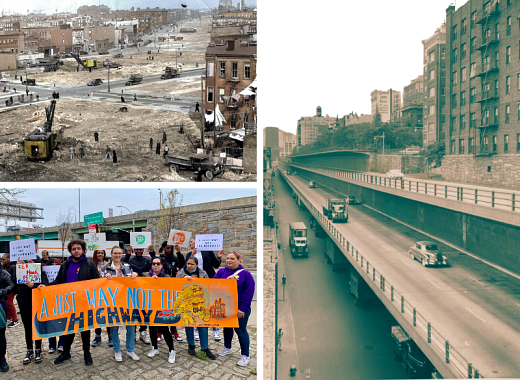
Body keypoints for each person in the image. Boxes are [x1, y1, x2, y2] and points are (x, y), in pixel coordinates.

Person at [38, 239, 100, 366]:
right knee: (68, 329)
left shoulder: (89, 265)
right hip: (68, 304)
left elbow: (97, 283)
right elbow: (59, 281)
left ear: (83, 250)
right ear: (70, 251)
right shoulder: (65, 264)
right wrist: (46, 286)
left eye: (78, 248)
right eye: (73, 249)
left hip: (84, 303)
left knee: (85, 330)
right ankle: (66, 352)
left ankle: (87, 353)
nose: (76, 251)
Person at [214, 252, 255, 366]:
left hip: (240, 309)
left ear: (239, 260)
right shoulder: (222, 272)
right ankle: (227, 347)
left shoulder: (246, 274)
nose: (229, 260)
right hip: (226, 307)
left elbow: (249, 292)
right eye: (227, 258)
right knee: (227, 328)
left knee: (240, 330)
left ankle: (245, 355)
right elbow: (213, 284)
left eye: (232, 258)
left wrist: (243, 308)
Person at [101, 246, 140, 362]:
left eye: (119, 253)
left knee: (131, 326)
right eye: (115, 253)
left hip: (128, 302)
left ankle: (130, 350)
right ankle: (117, 350)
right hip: (112, 302)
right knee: (114, 327)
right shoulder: (105, 268)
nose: (117, 255)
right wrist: (104, 277)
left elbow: (134, 282)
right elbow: (99, 284)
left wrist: (135, 276)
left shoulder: (128, 267)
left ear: (122, 254)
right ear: (111, 254)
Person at [176, 257, 216, 359]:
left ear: (197, 265)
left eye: (192, 264)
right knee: (189, 324)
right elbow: (175, 287)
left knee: (202, 325)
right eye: (188, 264)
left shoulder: (203, 274)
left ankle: (205, 348)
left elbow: (208, 286)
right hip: (187, 304)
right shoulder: (180, 274)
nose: (189, 266)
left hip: (200, 304)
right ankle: (191, 345)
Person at [185, 238, 224, 340]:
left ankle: (215, 329)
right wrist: (192, 255)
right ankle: (197, 329)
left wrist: (219, 257)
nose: (190, 243)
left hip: (208, 280)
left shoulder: (207, 251)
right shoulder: (189, 254)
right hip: (195, 282)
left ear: (197, 242)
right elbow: (185, 267)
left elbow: (215, 265)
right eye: (189, 242)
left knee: (211, 304)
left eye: (192, 241)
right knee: (197, 305)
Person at [143, 258, 175, 363]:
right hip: (150, 306)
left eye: (158, 263)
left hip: (162, 307)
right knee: (151, 328)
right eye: (154, 264)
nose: (155, 265)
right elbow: (138, 284)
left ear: (161, 265)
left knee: (164, 329)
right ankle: (155, 348)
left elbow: (172, 286)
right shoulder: (145, 275)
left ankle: (172, 350)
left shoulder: (166, 277)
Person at [16, 256, 48, 365]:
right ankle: (29, 350)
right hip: (24, 303)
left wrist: (33, 286)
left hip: (37, 304)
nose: (29, 265)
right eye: (27, 263)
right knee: (27, 327)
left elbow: (45, 287)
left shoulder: (42, 274)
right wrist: (18, 267)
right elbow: (13, 284)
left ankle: (38, 350)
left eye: (31, 262)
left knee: (37, 327)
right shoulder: (21, 272)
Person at [124, 246, 151, 344]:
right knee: (134, 311)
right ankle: (134, 333)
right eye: (137, 249)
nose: (139, 251)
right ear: (134, 250)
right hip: (132, 290)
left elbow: (151, 271)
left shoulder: (147, 260)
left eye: (141, 249)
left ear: (143, 250)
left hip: (144, 289)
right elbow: (124, 264)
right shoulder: (130, 260)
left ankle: (143, 332)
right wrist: (128, 253)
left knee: (144, 311)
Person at [91, 250, 111, 347]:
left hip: (107, 293)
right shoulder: (92, 264)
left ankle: (110, 336)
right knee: (97, 314)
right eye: (98, 253)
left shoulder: (109, 264)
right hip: (96, 293)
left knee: (108, 314)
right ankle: (97, 335)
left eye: (102, 253)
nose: (100, 254)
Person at [0, 264, 15, 372]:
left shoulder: (3, 273)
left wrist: (2, 291)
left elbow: (11, 285)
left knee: (0, 335)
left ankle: (2, 359)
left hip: (0, 306)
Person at [1, 255, 17, 328]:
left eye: (4, 259)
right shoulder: (4, 267)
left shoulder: (12, 267)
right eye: (2, 260)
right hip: (6, 291)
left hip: (9, 291)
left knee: (10, 303)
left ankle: (15, 319)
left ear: (8, 259)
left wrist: (4, 291)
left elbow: (12, 282)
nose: (2, 261)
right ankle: (9, 317)